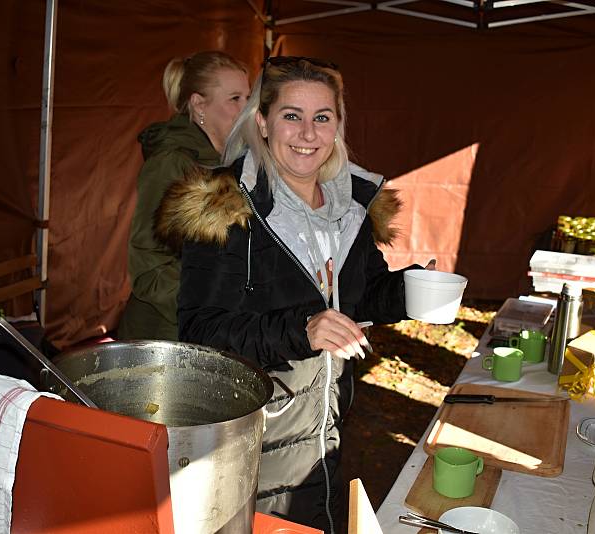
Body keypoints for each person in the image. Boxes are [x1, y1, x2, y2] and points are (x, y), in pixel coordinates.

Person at [154, 56, 425, 533]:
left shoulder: (349, 206)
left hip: (324, 421)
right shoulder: (227, 209)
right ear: (262, 121)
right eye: (291, 116)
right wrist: (303, 329)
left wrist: (414, 291)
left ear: (338, 125)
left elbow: (362, 295)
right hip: (252, 434)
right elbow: (200, 330)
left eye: (322, 117)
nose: (307, 133)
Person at [117, 51, 250, 340]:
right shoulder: (171, 163)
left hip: (212, 330)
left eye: (248, 98)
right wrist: (209, 308)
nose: (248, 109)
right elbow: (149, 268)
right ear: (199, 105)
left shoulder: (233, 162)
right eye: (235, 99)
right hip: (165, 337)